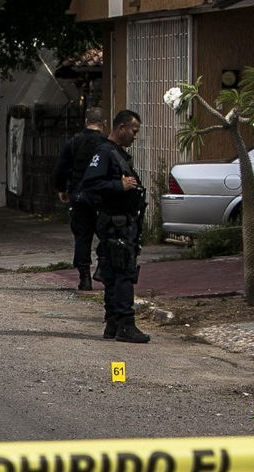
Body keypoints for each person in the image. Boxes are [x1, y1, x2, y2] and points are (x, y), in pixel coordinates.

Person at [80, 109, 149, 344]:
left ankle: (113, 323)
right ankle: (125, 324)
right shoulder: (105, 152)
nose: (135, 136)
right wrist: (119, 186)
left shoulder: (118, 154)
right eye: (133, 131)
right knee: (123, 274)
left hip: (123, 222)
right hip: (115, 224)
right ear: (121, 128)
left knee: (113, 272)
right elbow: (91, 185)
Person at [54, 107, 107, 290]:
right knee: (108, 234)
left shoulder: (74, 142)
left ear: (86, 121)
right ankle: (101, 267)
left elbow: (61, 168)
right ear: (104, 124)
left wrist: (62, 189)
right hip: (102, 196)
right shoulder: (106, 144)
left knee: (82, 237)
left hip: (79, 195)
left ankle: (84, 278)